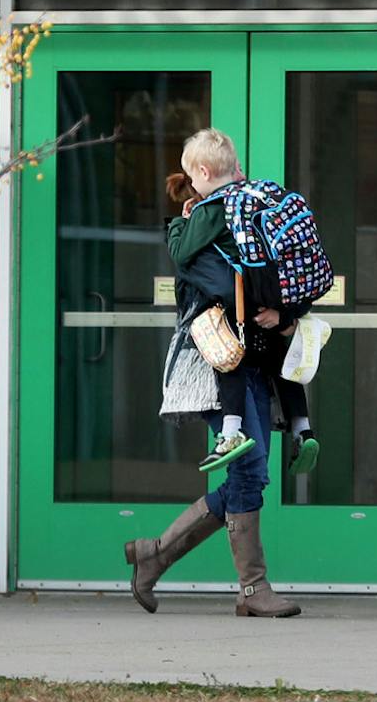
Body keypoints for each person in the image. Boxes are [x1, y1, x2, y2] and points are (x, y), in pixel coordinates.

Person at [122, 137, 302, 619]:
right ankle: (252, 590)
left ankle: (154, 554)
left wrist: (283, 310)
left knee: (253, 472)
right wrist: (272, 303)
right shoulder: (197, 237)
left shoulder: (234, 227)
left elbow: (274, 280)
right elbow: (229, 288)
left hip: (249, 362)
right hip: (214, 364)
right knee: (247, 468)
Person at [169, 128, 318, 477]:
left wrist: (180, 222)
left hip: (240, 308)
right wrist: (284, 312)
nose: (192, 183)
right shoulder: (253, 198)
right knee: (283, 363)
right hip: (273, 304)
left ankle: (231, 433)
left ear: (203, 173)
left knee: (227, 359)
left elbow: (181, 252)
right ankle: (302, 428)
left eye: (192, 177)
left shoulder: (212, 208)